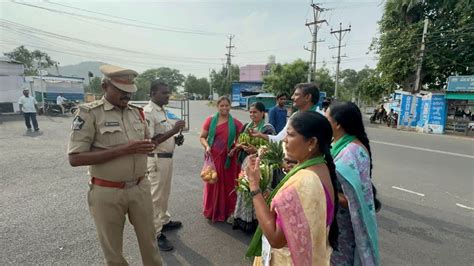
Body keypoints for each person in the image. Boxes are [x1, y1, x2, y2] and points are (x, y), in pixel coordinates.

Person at [67, 64, 162, 265]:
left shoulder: (137, 112)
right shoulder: (89, 113)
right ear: (105, 86)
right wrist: (123, 150)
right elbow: (75, 158)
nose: (127, 96)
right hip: (107, 192)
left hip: (140, 187)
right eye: (121, 91)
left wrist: (148, 145)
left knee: (150, 242)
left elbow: (144, 143)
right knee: (113, 250)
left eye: (130, 92)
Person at [246, 111, 339, 265]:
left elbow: (276, 238)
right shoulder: (320, 167)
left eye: (290, 135)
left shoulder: (305, 182)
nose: (284, 140)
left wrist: (254, 187)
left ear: (311, 143)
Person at [325, 101, 380, 265]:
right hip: (336, 221)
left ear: (338, 124)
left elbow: (354, 199)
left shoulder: (351, 152)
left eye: (327, 119)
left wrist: (323, 191)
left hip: (345, 225)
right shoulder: (337, 145)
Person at [144, 80, 186, 252]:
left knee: (164, 194)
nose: (168, 95)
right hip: (156, 160)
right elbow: (150, 142)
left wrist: (175, 139)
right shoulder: (148, 112)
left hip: (167, 159)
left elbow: (163, 136)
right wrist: (174, 131)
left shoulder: (163, 111)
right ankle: (155, 234)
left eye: (168, 92)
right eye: (164, 93)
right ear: (153, 94)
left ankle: (163, 221)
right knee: (155, 198)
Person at [230, 102, 276, 233]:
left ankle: (259, 223)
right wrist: (238, 147)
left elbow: (273, 150)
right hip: (247, 163)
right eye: (250, 112)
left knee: (259, 192)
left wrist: (255, 150)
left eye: (255, 112)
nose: (252, 114)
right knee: (244, 190)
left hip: (262, 165)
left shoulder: (268, 129)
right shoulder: (247, 126)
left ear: (263, 113)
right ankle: (244, 220)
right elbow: (239, 141)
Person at [199, 96, 243, 222]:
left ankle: (228, 212)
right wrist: (207, 146)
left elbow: (241, 140)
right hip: (213, 157)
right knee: (212, 183)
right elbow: (202, 137)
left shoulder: (235, 123)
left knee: (228, 185)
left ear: (230, 106)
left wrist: (234, 149)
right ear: (217, 106)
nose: (224, 108)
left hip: (228, 159)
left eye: (226, 105)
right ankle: (211, 210)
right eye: (221, 105)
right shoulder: (210, 120)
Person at [250, 83, 320, 143]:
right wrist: (260, 134)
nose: (292, 97)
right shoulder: (295, 116)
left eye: (296, 94)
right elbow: (279, 138)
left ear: (307, 97)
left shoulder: (321, 117)